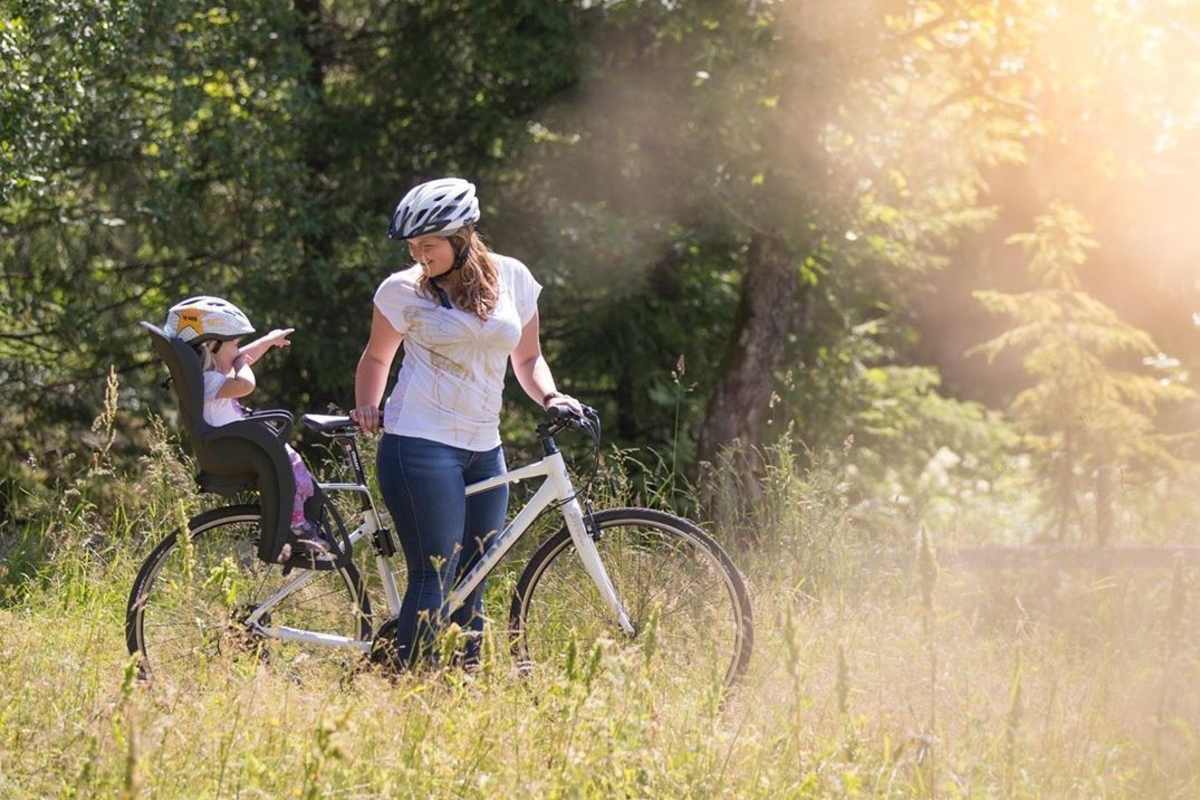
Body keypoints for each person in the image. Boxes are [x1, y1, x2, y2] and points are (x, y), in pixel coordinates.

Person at [351, 177, 581, 668]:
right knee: (435, 573)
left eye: (428, 245)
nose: (419, 256)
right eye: (412, 246)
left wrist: (551, 396)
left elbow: (529, 358)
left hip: (485, 447)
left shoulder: (513, 278)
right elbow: (376, 358)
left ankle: (462, 687)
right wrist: (369, 405)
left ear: (462, 236)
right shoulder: (402, 290)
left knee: (478, 572)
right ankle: (410, 690)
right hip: (418, 443)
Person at [163, 296, 334, 558]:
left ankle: (298, 527)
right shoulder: (209, 381)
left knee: (295, 469)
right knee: (293, 468)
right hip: (237, 447)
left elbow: (243, 358)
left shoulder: (208, 377)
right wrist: (241, 363)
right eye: (235, 344)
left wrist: (267, 341)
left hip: (237, 444)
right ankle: (297, 528)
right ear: (212, 346)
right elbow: (246, 384)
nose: (238, 351)